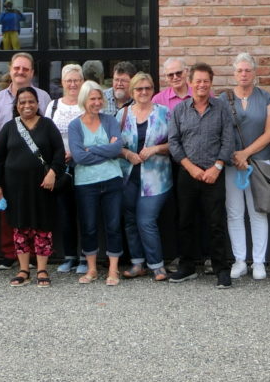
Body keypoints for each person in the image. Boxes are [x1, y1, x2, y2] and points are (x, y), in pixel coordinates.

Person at [167, 63, 235, 288]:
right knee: (185, 221)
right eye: (198, 81)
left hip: (214, 174)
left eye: (206, 81)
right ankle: (186, 267)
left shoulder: (221, 108)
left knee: (216, 223)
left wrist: (216, 167)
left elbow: (228, 140)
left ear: (211, 83)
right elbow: (174, 142)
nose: (202, 85)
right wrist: (190, 167)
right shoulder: (180, 110)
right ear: (190, 83)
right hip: (188, 173)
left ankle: (221, 269)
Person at [0, 86, 65, 287]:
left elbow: (59, 153)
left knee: (42, 228)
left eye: (31, 101)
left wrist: (53, 173)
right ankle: (23, 269)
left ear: (37, 103)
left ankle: (42, 269)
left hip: (43, 187)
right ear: (16, 105)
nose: (27, 105)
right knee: (20, 228)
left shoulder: (48, 125)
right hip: (15, 189)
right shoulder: (8, 128)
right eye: (22, 102)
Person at [0, 52, 50, 267]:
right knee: (9, 211)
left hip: (36, 166)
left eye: (25, 68)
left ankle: (33, 256)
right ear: (10, 69)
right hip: (9, 165)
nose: (20, 72)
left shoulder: (43, 97)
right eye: (17, 68)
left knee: (35, 209)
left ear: (32, 72)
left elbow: (48, 132)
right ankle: (9, 254)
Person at [218, 53, 270, 281]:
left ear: (254, 73)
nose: (244, 74)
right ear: (234, 74)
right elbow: (220, 131)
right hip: (233, 164)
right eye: (240, 70)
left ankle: (259, 262)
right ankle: (240, 260)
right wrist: (235, 156)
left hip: (259, 162)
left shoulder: (266, 98)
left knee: (258, 212)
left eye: (248, 70)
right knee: (234, 213)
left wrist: (245, 153)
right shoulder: (223, 99)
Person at [68, 81, 125, 285]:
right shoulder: (75, 125)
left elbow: (118, 147)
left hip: (112, 180)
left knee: (113, 225)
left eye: (99, 98)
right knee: (89, 226)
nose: (97, 102)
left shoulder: (109, 121)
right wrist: (104, 150)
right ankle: (91, 269)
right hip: (86, 183)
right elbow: (78, 157)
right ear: (84, 100)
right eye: (92, 98)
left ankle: (113, 270)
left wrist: (90, 150)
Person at [117, 72, 173, 281]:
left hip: (156, 179)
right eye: (139, 89)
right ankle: (137, 263)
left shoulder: (165, 113)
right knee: (130, 220)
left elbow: (175, 144)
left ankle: (157, 265)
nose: (143, 92)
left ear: (153, 91)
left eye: (147, 88)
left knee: (146, 219)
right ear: (132, 91)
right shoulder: (122, 114)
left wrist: (156, 148)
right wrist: (127, 153)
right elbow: (115, 145)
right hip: (128, 176)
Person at [45, 64, 84, 274]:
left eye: (76, 80)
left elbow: (96, 135)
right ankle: (70, 256)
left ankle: (87, 256)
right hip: (61, 168)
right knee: (65, 213)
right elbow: (48, 136)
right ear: (62, 83)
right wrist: (58, 159)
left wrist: (76, 153)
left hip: (85, 166)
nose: (72, 84)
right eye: (68, 80)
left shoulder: (88, 104)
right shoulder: (53, 105)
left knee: (86, 213)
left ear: (82, 82)